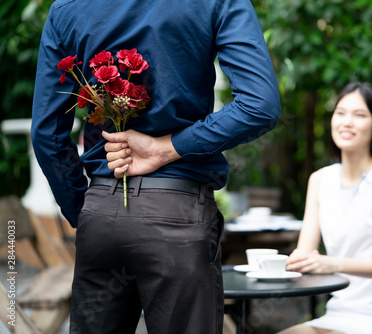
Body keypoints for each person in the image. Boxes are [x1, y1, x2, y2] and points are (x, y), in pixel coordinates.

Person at [31, 1, 280, 333]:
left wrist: (85, 208)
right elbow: (259, 105)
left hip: (102, 216)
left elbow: (47, 133)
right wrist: (167, 148)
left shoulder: (67, 7)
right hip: (176, 216)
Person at [278, 82, 372, 334]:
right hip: (337, 313)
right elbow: (305, 252)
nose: (346, 122)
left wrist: (333, 264)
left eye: (360, 115)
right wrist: (294, 262)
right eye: (340, 113)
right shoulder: (319, 180)